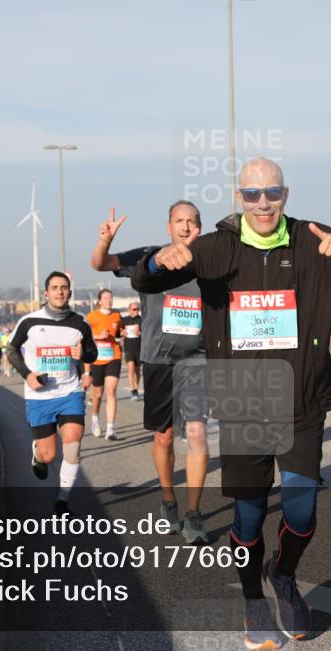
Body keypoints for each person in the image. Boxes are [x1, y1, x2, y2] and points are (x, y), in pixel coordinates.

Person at [132, 158, 331, 647]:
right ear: (239, 197)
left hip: (301, 400)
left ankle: (285, 575)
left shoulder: (315, 240)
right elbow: (146, 282)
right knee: (250, 516)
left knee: (300, 511)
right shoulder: (214, 248)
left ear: (285, 194)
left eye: (271, 193)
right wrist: (155, 262)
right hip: (242, 401)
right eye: (252, 195)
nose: (262, 204)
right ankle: (253, 597)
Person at [91, 203, 211, 545]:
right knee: (163, 437)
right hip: (157, 359)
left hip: (197, 358)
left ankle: (194, 514)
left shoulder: (209, 260)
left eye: (192, 222)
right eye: (179, 221)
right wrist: (105, 241)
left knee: (198, 434)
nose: (185, 227)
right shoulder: (149, 255)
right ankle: (168, 498)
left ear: (199, 228)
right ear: (168, 226)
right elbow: (101, 263)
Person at [5, 271, 97, 516]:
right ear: (46, 293)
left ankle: (62, 501)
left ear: (69, 292)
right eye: (55, 287)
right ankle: (38, 454)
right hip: (40, 395)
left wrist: (83, 356)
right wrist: (28, 374)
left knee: (73, 448)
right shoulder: (29, 322)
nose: (59, 291)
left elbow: (92, 354)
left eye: (64, 287)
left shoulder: (80, 323)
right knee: (49, 454)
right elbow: (11, 349)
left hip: (70, 392)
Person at [85, 289, 124, 439]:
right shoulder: (92, 317)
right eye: (106, 298)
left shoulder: (116, 315)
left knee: (111, 391)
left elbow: (119, 331)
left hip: (114, 356)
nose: (109, 300)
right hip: (97, 359)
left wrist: (123, 334)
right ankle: (95, 417)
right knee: (98, 394)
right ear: (100, 301)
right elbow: (85, 337)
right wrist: (98, 336)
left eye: (111, 298)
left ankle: (110, 428)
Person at [122, 301, 143, 401]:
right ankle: (133, 390)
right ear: (129, 310)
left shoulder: (142, 320)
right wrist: (122, 333)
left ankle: (136, 388)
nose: (136, 311)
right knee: (130, 369)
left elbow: (147, 333)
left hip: (139, 348)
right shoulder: (124, 320)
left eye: (137, 309)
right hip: (128, 348)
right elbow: (119, 332)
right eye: (134, 309)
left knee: (137, 371)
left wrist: (140, 333)